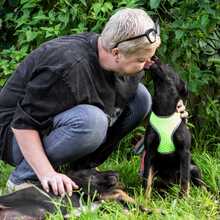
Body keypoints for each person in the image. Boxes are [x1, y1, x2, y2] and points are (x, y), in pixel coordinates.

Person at [0, 8, 187, 197]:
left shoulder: (120, 54)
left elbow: (153, 84)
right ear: (116, 53)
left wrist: (172, 108)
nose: (148, 64)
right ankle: (24, 178)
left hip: (53, 126)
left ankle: (81, 168)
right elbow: (23, 125)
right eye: (142, 59)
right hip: (14, 137)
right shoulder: (68, 66)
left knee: (141, 99)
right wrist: (46, 173)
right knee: (92, 122)